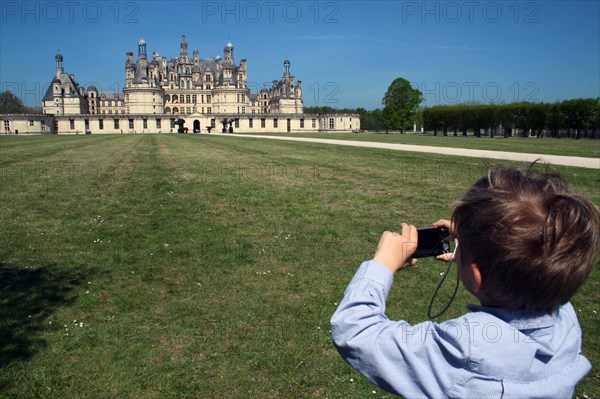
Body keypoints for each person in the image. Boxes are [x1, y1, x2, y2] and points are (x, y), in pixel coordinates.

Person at [331, 166, 600, 398]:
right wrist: (482, 243)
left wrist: (382, 265)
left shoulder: (467, 349)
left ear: (477, 274)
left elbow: (355, 332)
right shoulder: (565, 322)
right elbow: (545, 263)